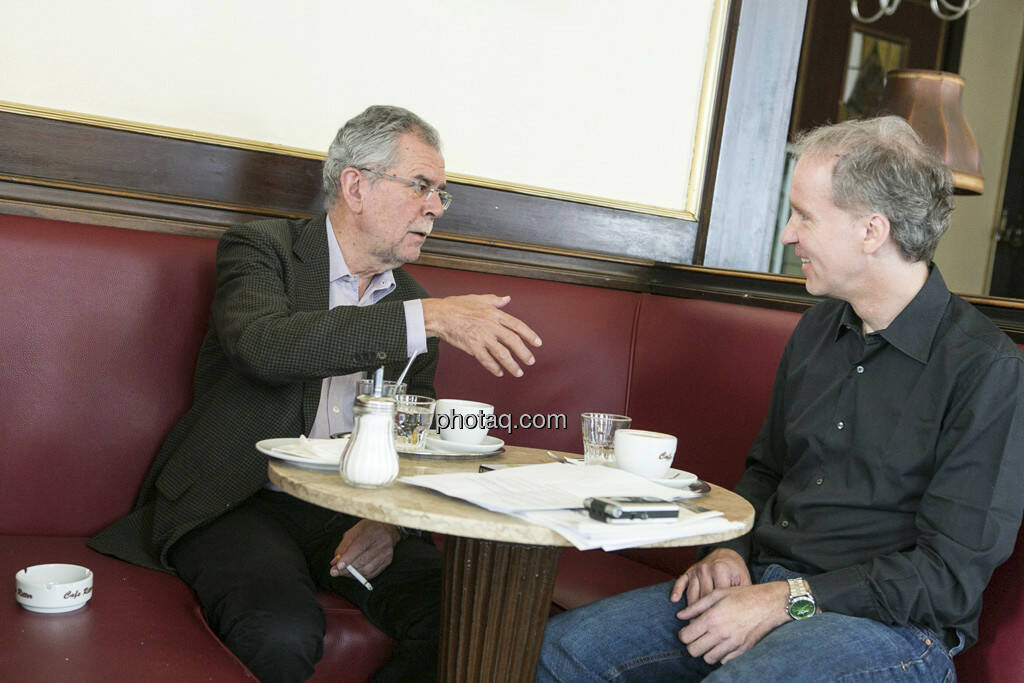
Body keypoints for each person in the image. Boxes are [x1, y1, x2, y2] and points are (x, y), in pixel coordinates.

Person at [538, 116, 1024, 682]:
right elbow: (765, 472)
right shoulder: (818, 329)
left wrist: (784, 600)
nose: (789, 234)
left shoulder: (985, 368)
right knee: (562, 649)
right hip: (762, 584)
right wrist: (727, 552)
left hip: (893, 630)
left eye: (805, 216)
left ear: (871, 231)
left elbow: (946, 578)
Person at [89, 105, 542, 683]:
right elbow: (263, 347)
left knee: (467, 623)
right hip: (238, 496)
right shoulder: (262, 250)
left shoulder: (419, 307)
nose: (435, 207)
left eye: (441, 194)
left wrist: (389, 524)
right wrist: (423, 318)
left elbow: (415, 433)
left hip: (347, 508)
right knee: (281, 628)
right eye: (422, 186)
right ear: (356, 186)